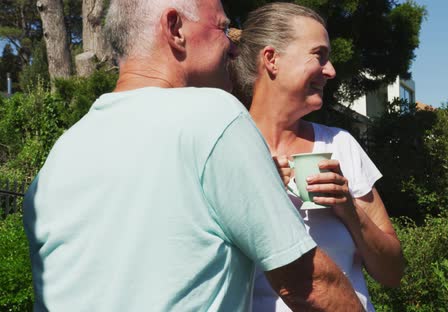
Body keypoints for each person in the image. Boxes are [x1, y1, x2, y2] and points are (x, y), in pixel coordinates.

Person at [22, 0, 364, 311]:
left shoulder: (62, 152)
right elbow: (309, 283)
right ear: (175, 29)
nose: (234, 48)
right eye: (223, 29)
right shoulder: (213, 113)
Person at [230, 3, 405, 311]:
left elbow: (392, 273)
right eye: (319, 55)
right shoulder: (225, 149)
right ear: (272, 59)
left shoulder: (340, 145)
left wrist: (350, 210)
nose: (331, 71)